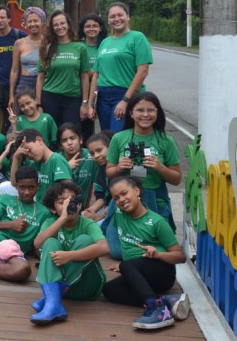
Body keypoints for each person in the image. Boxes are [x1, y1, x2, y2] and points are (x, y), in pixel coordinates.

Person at [102, 176, 190, 330]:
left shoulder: (156, 222)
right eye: (116, 198)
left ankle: (157, 310)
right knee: (108, 290)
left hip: (162, 273)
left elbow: (180, 257)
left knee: (126, 265)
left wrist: (158, 254)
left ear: (137, 191)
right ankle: (165, 300)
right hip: (138, 272)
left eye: (124, 193)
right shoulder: (118, 212)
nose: (121, 200)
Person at [103, 92, 181, 259]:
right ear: (131, 113)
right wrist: (119, 168)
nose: (145, 115)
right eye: (140, 110)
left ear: (157, 113)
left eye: (150, 110)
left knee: (160, 248)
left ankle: (139, 256)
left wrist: (160, 167)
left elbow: (176, 179)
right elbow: (109, 173)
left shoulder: (166, 141)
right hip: (124, 197)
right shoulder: (119, 138)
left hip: (154, 197)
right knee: (116, 252)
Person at [30, 181, 108, 324]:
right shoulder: (51, 222)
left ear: (79, 204)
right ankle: (53, 304)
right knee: (50, 242)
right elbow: (37, 243)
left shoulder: (86, 223)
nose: (69, 205)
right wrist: (62, 218)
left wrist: (70, 256)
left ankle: (50, 299)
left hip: (87, 287)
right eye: (62, 202)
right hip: (67, 292)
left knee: (85, 240)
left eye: (73, 200)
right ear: (53, 209)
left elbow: (104, 248)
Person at [87, 2, 153, 132]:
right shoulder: (105, 42)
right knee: (106, 137)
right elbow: (96, 74)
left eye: (120, 15)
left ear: (128, 17)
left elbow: (143, 71)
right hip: (103, 96)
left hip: (125, 93)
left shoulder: (137, 38)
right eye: (112, 16)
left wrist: (126, 100)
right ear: (108, 20)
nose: (116, 19)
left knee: (119, 136)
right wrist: (90, 104)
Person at [36, 11, 90, 130]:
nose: (59, 27)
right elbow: (40, 78)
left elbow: (84, 76)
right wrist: (38, 103)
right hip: (50, 97)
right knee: (53, 134)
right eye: (56, 24)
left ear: (69, 25)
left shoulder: (80, 47)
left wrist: (85, 103)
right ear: (52, 28)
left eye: (62, 23)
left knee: (72, 133)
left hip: (73, 98)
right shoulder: (46, 47)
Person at [0, 5, 27, 129]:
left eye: (2, 17)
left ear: (9, 19)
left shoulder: (19, 35)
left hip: (20, 83)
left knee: (21, 116)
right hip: (1, 84)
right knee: (2, 118)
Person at [9, 129, 72, 203]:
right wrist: (16, 157)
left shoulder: (56, 160)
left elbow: (69, 189)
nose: (29, 155)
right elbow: (14, 183)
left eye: (29, 150)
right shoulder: (34, 163)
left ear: (39, 140)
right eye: (26, 154)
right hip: (40, 208)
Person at [9, 7, 45, 109]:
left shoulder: (49, 42)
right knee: (20, 118)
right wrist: (11, 95)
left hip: (45, 84)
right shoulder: (19, 43)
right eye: (29, 21)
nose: (32, 24)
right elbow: (14, 70)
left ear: (42, 22)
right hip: (24, 83)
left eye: (36, 20)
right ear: (25, 24)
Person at [57, 123, 98, 209]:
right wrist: (66, 168)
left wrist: (86, 207)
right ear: (60, 145)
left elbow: (90, 184)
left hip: (82, 207)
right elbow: (52, 189)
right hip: (60, 208)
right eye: (64, 140)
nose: (69, 143)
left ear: (80, 140)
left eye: (72, 138)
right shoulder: (56, 159)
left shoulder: (90, 156)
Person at [79, 13, 107, 141]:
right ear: (83, 29)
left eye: (95, 26)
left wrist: (91, 72)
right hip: (82, 91)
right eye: (87, 26)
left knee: (106, 127)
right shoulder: (78, 46)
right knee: (85, 126)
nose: (91, 29)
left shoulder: (106, 45)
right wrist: (92, 72)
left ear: (100, 28)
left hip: (102, 91)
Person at [81, 132, 112, 222]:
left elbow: (119, 201)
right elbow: (101, 197)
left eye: (99, 150)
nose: (96, 156)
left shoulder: (120, 169)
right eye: (92, 153)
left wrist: (99, 216)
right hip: (107, 208)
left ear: (110, 147)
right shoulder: (100, 168)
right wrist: (90, 210)